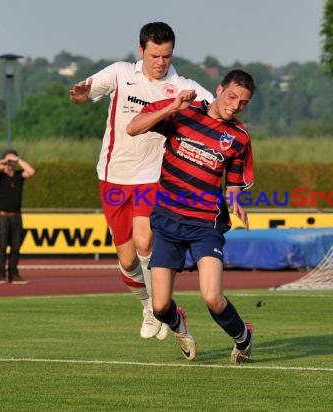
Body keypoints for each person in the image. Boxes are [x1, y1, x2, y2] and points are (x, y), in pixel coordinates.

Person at [69, 22, 213, 341]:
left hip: (152, 176)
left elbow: (214, 109)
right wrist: (79, 95)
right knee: (127, 258)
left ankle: (161, 308)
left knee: (145, 241)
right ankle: (148, 305)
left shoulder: (181, 85)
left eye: (166, 55)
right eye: (155, 55)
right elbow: (86, 92)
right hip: (112, 176)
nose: (160, 62)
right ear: (141, 52)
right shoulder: (121, 73)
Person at [127, 70, 256, 363]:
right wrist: (172, 106)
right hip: (168, 220)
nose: (235, 105)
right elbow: (133, 128)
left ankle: (243, 338)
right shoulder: (184, 114)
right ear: (219, 89)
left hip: (205, 225)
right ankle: (179, 325)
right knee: (160, 306)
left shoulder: (238, 137)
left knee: (212, 297)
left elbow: (233, 183)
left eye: (243, 102)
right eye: (232, 96)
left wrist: (235, 201)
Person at [0, 150, 36, 284]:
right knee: (2, 246)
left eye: (12, 160)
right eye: (8, 160)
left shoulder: (19, 175)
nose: (10, 163)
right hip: (3, 217)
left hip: (17, 216)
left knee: (16, 247)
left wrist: (19, 160)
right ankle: (1, 275)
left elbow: (31, 172)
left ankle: (14, 275)